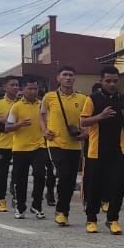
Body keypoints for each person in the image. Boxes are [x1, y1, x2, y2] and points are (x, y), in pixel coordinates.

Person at [80, 66, 124, 233]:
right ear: (101, 81)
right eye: (108, 81)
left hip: (118, 149)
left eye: (115, 81)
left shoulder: (122, 98)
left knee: (117, 186)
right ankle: (91, 218)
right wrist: (100, 116)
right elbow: (83, 122)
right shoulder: (92, 99)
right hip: (96, 149)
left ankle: (113, 219)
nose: (112, 84)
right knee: (94, 186)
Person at [40, 67, 90, 226]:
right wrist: (44, 130)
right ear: (58, 78)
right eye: (65, 75)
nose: (68, 78)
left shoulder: (83, 98)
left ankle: (64, 211)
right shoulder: (49, 97)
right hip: (55, 143)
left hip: (75, 145)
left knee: (70, 179)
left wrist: (85, 133)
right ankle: (61, 210)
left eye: (71, 75)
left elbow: (88, 119)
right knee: (64, 173)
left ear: (74, 79)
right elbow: (41, 114)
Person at [7, 77, 47, 218]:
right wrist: (19, 125)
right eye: (29, 89)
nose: (32, 91)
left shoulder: (42, 105)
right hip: (20, 148)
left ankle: (37, 206)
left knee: (40, 174)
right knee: (21, 178)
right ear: (23, 90)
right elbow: (7, 127)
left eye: (35, 89)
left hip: (39, 146)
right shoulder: (16, 106)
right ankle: (21, 207)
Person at [0, 77, 20, 212]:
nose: (15, 87)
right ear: (5, 87)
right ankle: (1, 200)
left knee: (18, 174)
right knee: (2, 174)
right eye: (12, 85)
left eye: (17, 85)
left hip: (20, 143)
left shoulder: (22, 103)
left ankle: (17, 198)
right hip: (2, 144)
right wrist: (1, 119)